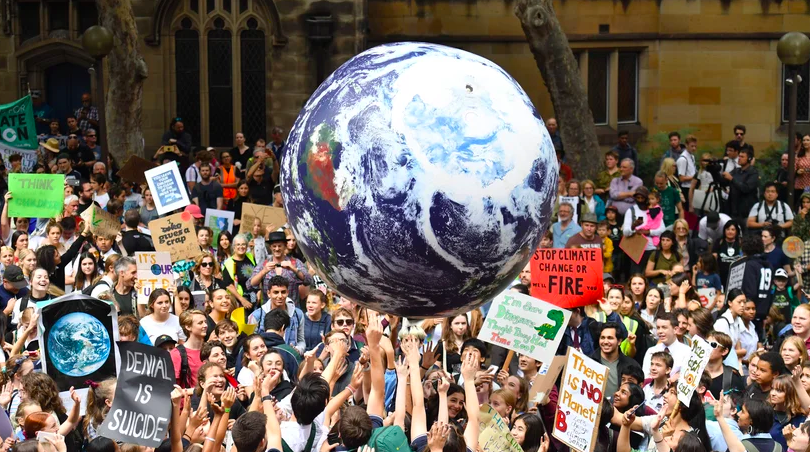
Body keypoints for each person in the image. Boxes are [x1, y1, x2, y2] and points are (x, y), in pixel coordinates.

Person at [248, 231, 312, 307]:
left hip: (291, 309)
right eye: (274, 246)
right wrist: (263, 271)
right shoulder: (264, 264)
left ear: (285, 246)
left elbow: (308, 280)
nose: (277, 249)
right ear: (270, 247)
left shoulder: (295, 262)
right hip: (270, 310)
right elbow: (250, 284)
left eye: (279, 246)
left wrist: (294, 268)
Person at [588, 322, 642, 396]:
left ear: (619, 341)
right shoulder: (588, 362)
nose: (605, 342)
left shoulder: (631, 365)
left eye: (610, 338)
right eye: (602, 338)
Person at [623, 187, 666, 274]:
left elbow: (662, 229)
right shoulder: (631, 211)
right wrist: (634, 226)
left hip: (652, 247)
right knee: (636, 275)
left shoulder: (655, 210)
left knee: (651, 273)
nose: (640, 200)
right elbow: (625, 232)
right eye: (638, 198)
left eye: (642, 198)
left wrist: (649, 232)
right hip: (636, 248)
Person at [170, 309, 208, 388]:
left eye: (205, 322)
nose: (205, 325)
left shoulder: (211, 349)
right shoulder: (177, 354)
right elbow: (174, 385)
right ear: (188, 327)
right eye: (200, 323)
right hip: (189, 395)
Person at [723, 148, 759, 226]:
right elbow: (724, 182)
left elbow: (746, 188)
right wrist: (715, 172)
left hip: (746, 211)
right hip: (733, 209)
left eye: (742, 157)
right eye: (739, 156)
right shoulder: (736, 171)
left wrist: (732, 179)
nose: (739, 158)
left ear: (749, 158)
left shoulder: (753, 172)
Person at [222, 234, 256, 310]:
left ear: (246, 246)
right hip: (239, 300)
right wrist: (242, 300)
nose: (241, 247)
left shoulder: (250, 256)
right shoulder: (228, 263)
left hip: (254, 297)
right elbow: (228, 285)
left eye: (243, 244)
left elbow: (257, 273)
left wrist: (259, 291)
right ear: (234, 247)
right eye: (238, 244)